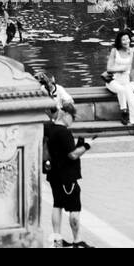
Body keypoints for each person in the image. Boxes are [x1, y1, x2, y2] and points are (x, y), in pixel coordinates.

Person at [44, 103, 91, 248]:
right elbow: (72, 155)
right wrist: (86, 146)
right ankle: (77, 241)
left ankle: (57, 240)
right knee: (74, 209)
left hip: (53, 174)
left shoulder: (48, 128)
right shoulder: (64, 132)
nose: (73, 121)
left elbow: (60, 150)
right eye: (72, 117)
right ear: (65, 114)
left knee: (57, 204)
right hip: (67, 177)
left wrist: (78, 145)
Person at [105, 29, 134, 137]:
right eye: (123, 39)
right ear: (119, 41)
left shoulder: (132, 52)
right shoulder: (114, 51)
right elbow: (108, 68)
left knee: (131, 99)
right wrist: (119, 70)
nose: (126, 41)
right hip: (113, 81)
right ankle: (124, 111)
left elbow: (133, 68)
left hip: (126, 81)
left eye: (127, 39)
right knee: (122, 90)